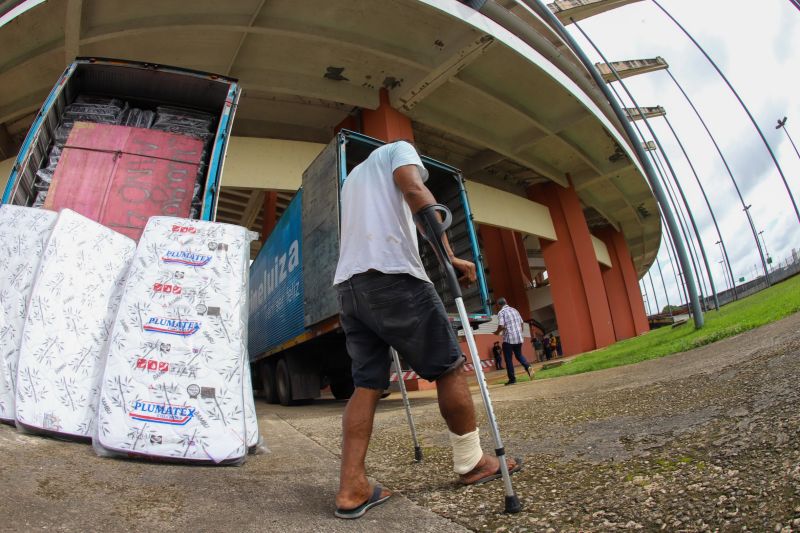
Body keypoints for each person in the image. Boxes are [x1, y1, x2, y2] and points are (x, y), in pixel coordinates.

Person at [332, 140, 520, 519]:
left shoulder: (353, 178)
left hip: (350, 285)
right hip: (394, 276)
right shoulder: (399, 149)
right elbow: (416, 191)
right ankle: (472, 462)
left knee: (367, 383)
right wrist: (448, 256)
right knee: (448, 366)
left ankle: (352, 487)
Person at [492, 297, 532, 385]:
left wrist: (497, 332)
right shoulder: (515, 310)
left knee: (508, 359)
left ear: (498, 305)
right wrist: (520, 333)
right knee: (519, 355)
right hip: (519, 338)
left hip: (509, 339)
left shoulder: (501, 312)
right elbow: (521, 323)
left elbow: (501, 326)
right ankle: (528, 366)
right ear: (506, 302)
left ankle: (512, 379)